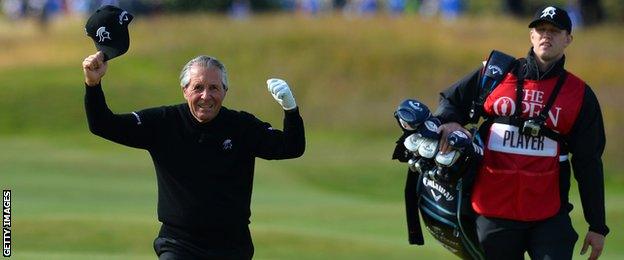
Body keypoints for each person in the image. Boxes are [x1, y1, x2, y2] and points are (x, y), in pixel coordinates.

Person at [82, 52, 305, 259]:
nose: (205, 96)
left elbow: (291, 147)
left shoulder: (241, 126)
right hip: (178, 245)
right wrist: (93, 84)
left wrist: (290, 109)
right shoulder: (164, 122)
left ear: (225, 91)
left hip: (232, 247)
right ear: (185, 90)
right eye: (198, 87)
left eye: (214, 88)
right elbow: (103, 124)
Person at [434, 6, 608, 260]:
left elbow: (589, 163)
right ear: (531, 36)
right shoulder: (496, 73)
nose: (546, 36)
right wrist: (450, 121)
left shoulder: (580, 94)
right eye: (541, 30)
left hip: (549, 215)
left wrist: (597, 226)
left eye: (555, 31)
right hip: (492, 212)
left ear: (568, 39)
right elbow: (451, 101)